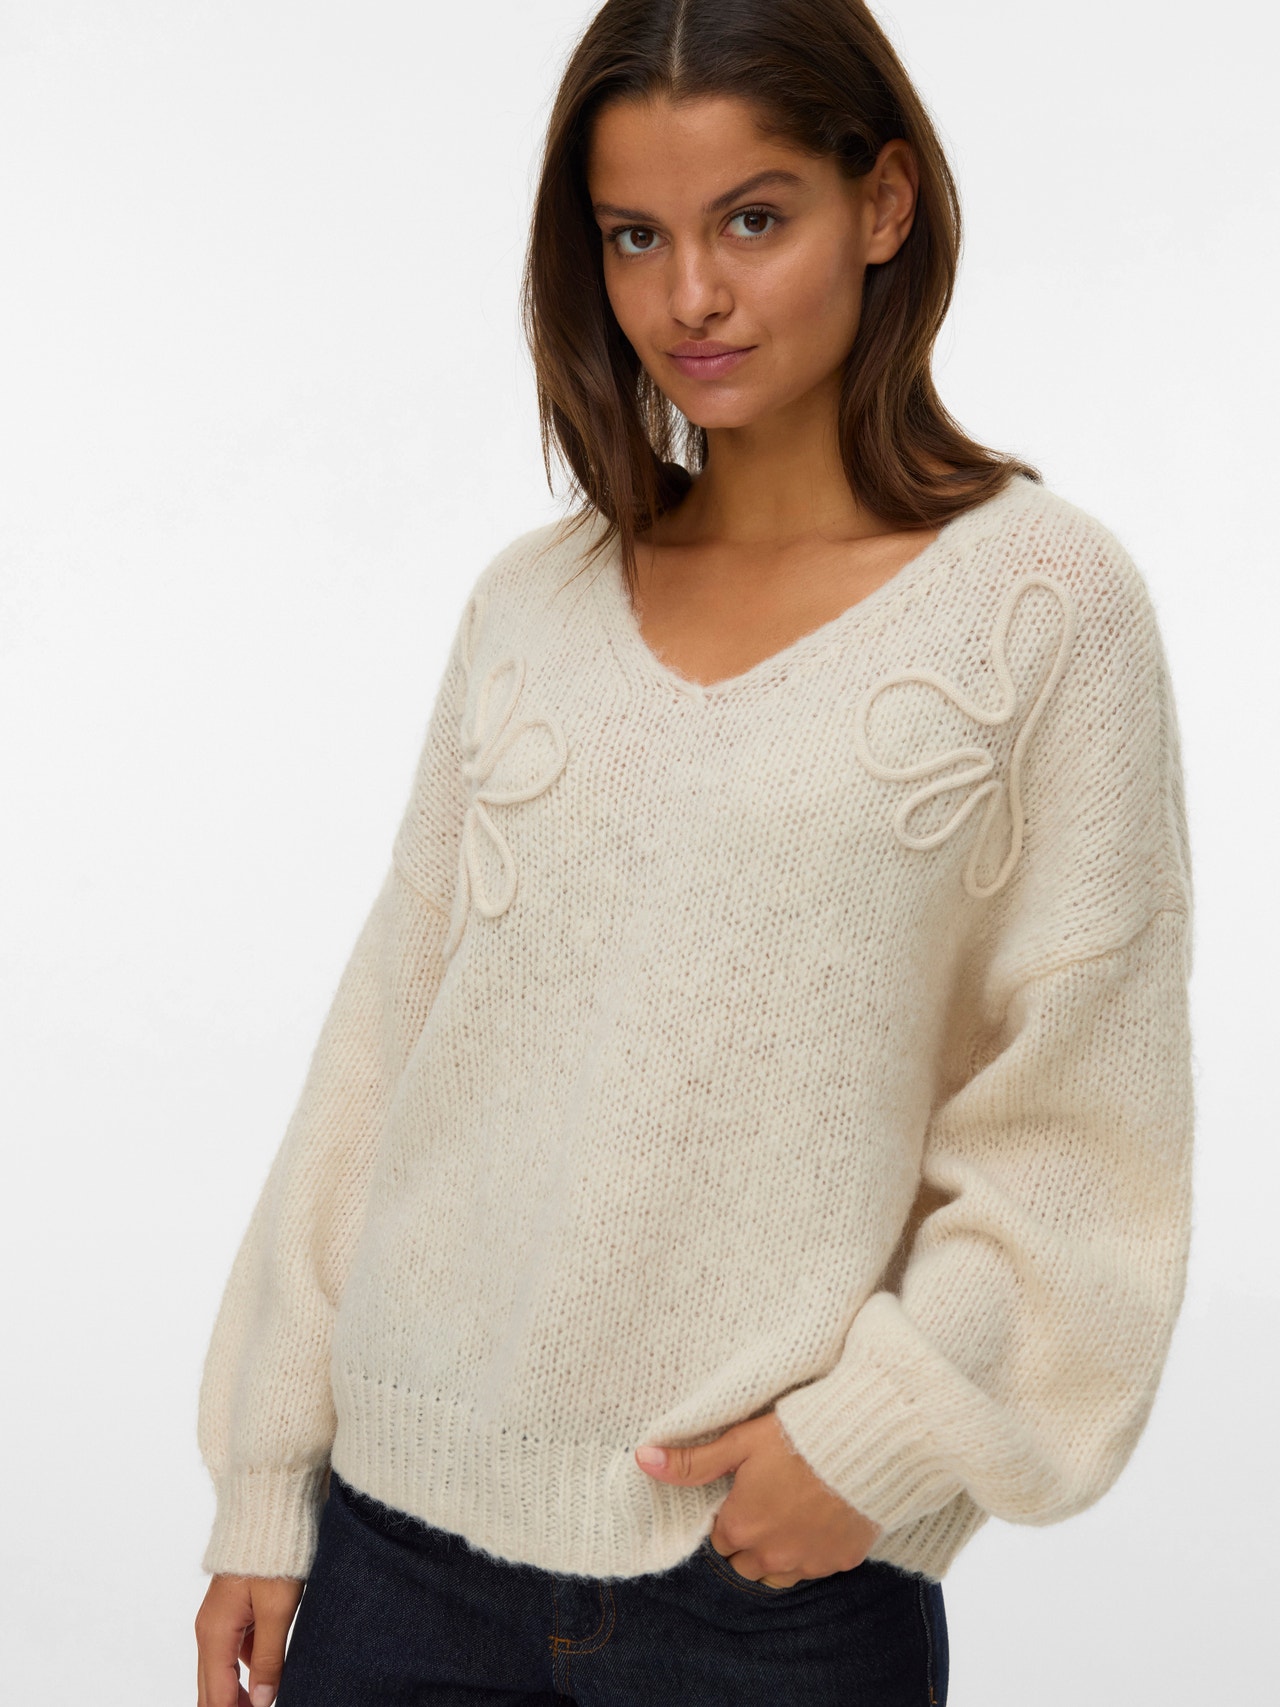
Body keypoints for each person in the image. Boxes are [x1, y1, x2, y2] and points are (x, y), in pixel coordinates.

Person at [192, 1, 1196, 1703]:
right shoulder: (534, 604)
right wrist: (266, 1484)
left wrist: (877, 1439)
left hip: (764, 1587)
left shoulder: (1043, 611)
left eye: (753, 218)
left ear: (883, 205)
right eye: (635, 237)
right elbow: (383, 1054)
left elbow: (1083, 1129)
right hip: (399, 1555)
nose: (691, 298)